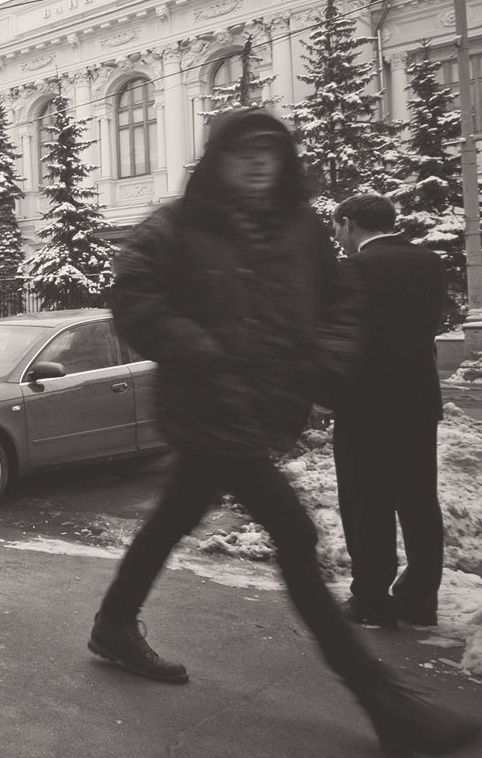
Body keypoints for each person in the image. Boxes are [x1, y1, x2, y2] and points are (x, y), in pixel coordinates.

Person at [88, 108, 478, 755]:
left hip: (261, 409)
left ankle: (114, 623)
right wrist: (204, 351)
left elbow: (341, 300)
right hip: (207, 407)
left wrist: (322, 363)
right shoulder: (175, 226)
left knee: (171, 519)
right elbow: (133, 298)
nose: (257, 164)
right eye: (243, 153)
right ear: (219, 161)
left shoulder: (297, 228)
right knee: (295, 536)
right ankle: (383, 702)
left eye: (269, 153)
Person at [331, 193, 449, 628]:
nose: (336, 237)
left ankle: (371, 599)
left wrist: (326, 394)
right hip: (418, 402)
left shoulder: (355, 268)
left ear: (348, 223)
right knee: (419, 501)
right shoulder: (430, 262)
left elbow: (348, 339)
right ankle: (420, 601)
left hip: (365, 406)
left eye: (336, 227)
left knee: (367, 503)